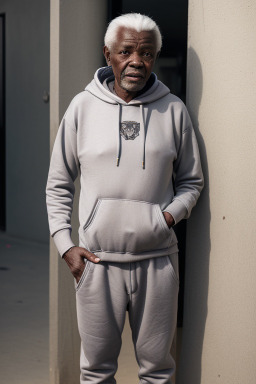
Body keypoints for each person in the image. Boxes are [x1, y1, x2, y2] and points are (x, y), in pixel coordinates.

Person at [46, 13, 204, 384]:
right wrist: (65, 246)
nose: (137, 61)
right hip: (96, 264)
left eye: (146, 53)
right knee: (96, 371)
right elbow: (58, 184)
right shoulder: (81, 108)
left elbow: (191, 182)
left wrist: (166, 218)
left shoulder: (174, 111)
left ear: (154, 58)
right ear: (108, 55)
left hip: (158, 263)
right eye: (127, 51)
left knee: (158, 370)